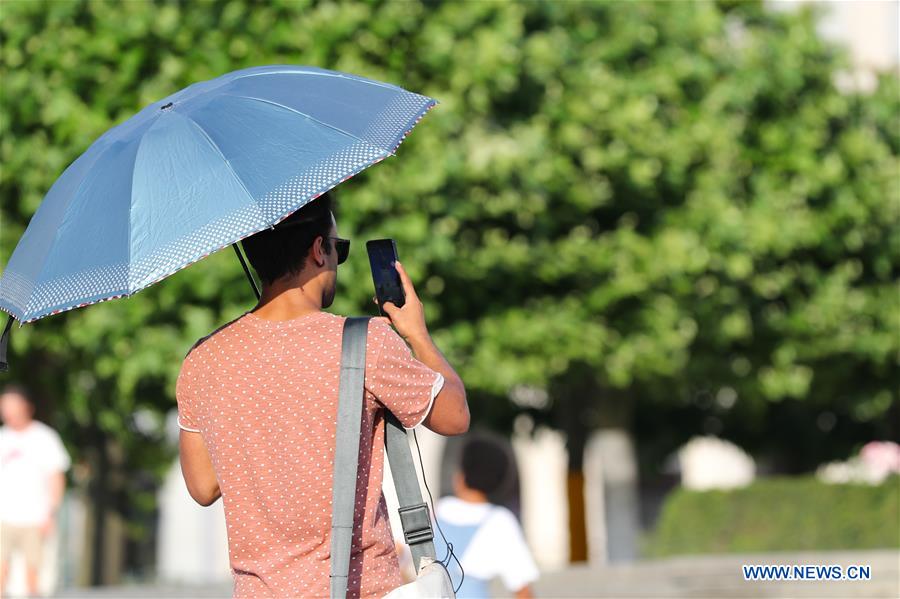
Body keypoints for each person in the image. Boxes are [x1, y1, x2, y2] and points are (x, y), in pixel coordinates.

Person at [175, 191, 469, 599]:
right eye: (338, 248)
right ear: (318, 249)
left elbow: (203, 486)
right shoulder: (364, 342)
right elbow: (455, 416)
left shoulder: (203, 360)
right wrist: (417, 332)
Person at [434, 436, 539, 598]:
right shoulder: (500, 521)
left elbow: (400, 559)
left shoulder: (437, 510)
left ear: (462, 476)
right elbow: (523, 590)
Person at [0, 383, 71, 598]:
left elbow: (56, 477)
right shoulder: (2, 437)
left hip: (34, 517)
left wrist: (51, 512)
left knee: (33, 571)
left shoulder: (44, 437)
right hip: (4, 516)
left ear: (26, 406)